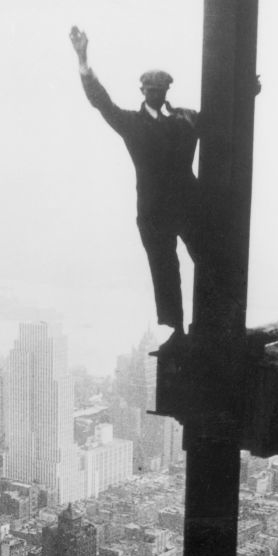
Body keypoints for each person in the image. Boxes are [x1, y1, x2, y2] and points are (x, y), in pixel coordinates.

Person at [69, 25, 201, 339]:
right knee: (164, 270)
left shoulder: (187, 120)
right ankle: (177, 330)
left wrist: (246, 91)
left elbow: (221, 118)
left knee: (208, 260)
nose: (154, 91)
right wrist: (83, 58)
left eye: (159, 87)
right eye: (149, 87)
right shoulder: (131, 123)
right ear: (141, 90)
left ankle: (205, 324)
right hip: (154, 212)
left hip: (188, 205)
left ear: (168, 89)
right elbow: (101, 101)